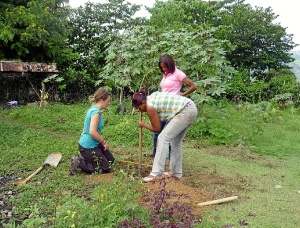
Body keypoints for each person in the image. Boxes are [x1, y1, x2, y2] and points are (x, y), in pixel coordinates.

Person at [132, 91, 198, 182]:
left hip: (185, 111)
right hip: (190, 107)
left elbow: (157, 128)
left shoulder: (150, 106)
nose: (140, 110)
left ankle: (156, 173)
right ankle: (176, 173)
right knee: (175, 142)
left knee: (163, 138)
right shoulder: (151, 99)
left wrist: (143, 124)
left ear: (143, 102)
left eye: (139, 108)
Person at [146, 54, 197, 162]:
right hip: (163, 107)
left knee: (168, 135)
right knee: (157, 132)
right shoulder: (166, 74)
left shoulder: (178, 73)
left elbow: (193, 86)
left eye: (165, 66)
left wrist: (182, 96)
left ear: (170, 64)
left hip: (173, 109)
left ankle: (169, 159)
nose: (164, 69)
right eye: (162, 67)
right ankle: (155, 153)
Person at [70, 88, 115, 175]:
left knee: (110, 160)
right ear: (102, 100)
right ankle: (79, 162)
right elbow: (92, 132)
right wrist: (104, 142)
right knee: (105, 168)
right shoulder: (95, 113)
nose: (109, 103)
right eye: (108, 101)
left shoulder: (93, 109)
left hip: (95, 143)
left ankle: (87, 157)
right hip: (88, 146)